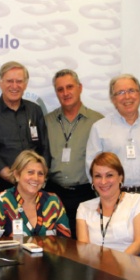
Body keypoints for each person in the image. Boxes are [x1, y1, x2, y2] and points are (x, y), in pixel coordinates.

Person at [87, 74, 140, 219]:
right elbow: (92, 167)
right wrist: (110, 197)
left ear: (139, 94)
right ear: (113, 99)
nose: (127, 97)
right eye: (120, 93)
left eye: (132, 91)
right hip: (112, 199)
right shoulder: (100, 128)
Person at [0, 61, 50, 197]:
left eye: (19, 81)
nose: (14, 86)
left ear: (26, 84)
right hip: (2, 186)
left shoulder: (35, 110)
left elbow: (44, 148)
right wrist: (17, 179)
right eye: (9, 81)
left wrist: (38, 177)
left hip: (34, 187)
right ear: (0, 83)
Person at [45, 69, 104, 221]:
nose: (65, 93)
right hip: (53, 194)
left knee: (83, 242)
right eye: (60, 89)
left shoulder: (98, 121)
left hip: (86, 194)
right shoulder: (47, 121)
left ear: (80, 88)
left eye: (70, 87)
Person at [76, 152, 140, 255]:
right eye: (98, 176)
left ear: (120, 177)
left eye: (109, 175)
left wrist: (114, 267)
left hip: (133, 265)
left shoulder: (139, 202)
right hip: (96, 266)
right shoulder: (84, 208)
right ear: (92, 181)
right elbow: (84, 248)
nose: (103, 182)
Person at [0, 150, 72, 237]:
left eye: (40, 174)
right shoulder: (3, 201)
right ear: (17, 175)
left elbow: (65, 241)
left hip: (50, 251)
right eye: (30, 172)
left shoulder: (53, 201)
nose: (36, 178)